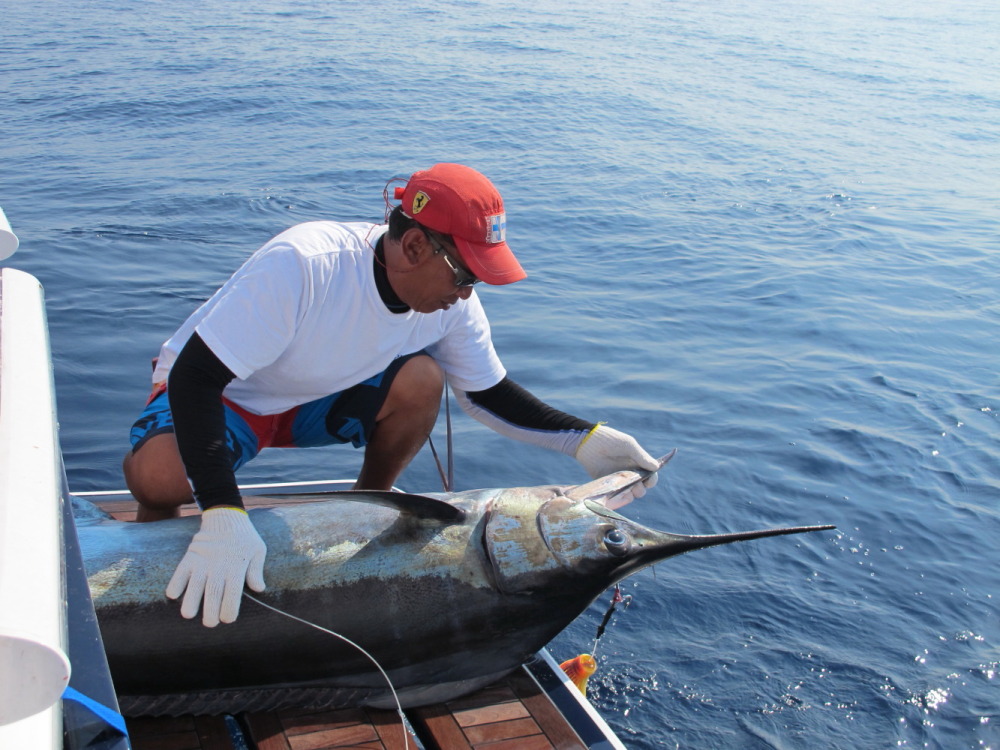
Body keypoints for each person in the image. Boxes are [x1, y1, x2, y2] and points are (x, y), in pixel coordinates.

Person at [123, 163, 660, 628]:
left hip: (314, 399)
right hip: (227, 397)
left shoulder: (452, 306)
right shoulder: (306, 264)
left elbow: (487, 393)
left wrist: (585, 439)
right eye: (464, 273)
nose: (467, 292)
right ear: (415, 245)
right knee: (159, 481)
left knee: (423, 378)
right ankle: (147, 559)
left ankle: (366, 504)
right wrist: (222, 513)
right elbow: (196, 378)